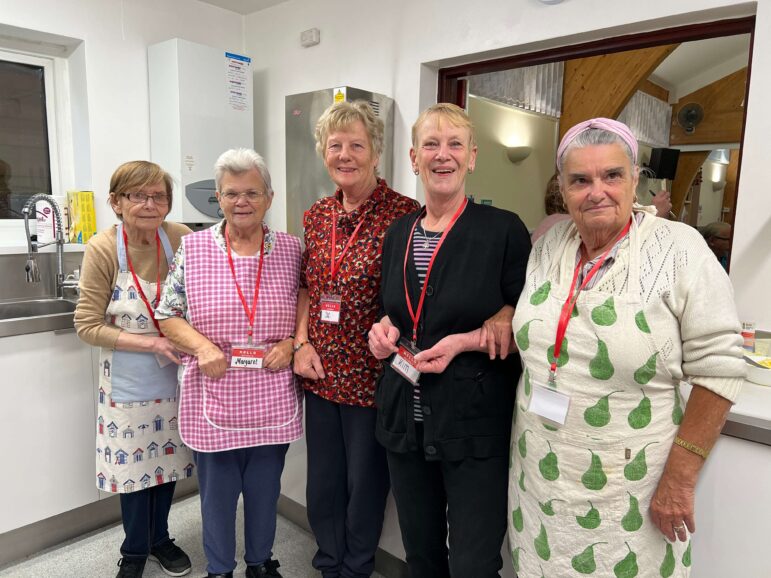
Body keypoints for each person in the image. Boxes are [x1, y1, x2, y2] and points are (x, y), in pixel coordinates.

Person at [507, 118, 745, 577]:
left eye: (612, 175)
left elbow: (721, 367)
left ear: (635, 178)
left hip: (631, 491)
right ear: (563, 188)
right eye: (580, 179)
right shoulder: (549, 245)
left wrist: (680, 478)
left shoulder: (680, 248)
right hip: (538, 477)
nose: (596, 191)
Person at [368, 103, 531, 577]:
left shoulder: (503, 230)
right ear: (414, 158)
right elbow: (395, 310)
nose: (444, 155)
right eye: (431, 145)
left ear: (473, 157)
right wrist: (382, 331)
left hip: (472, 423)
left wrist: (484, 330)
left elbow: (530, 315)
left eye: (455, 144)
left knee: (474, 562)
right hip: (406, 421)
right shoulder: (398, 233)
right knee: (420, 555)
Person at [156, 149, 301, 578]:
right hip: (213, 391)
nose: (242, 201)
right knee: (217, 497)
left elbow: (306, 303)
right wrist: (202, 347)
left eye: (252, 192)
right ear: (217, 198)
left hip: (271, 392)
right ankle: (220, 568)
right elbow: (168, 314)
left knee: (263, 490)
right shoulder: (194, 249)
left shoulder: (292, 250)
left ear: (269, 197)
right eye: (232, 193)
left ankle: (259, 562)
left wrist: (292, 342)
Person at [293, 100, 419, 578]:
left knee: (366, 483)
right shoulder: (316, 214)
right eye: (335, 145)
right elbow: (308, 285)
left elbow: (415, 296)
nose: (345, 155)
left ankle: (356, 567)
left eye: (356, 145)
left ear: (376, 152)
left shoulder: (403, 215)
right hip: (321, 372)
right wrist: (302, 341)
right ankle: (329, 563)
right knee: (323, 483)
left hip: (373, 376)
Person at [74, 161, 193, 578]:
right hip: (127, 376)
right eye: (137, 196)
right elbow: (87, 325)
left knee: (168, 463)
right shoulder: (103, 248)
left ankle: (160, 539)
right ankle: (135, 550)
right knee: (132, 471)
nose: (149, 204)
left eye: (158, 196)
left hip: (176, 376)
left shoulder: (180, 239)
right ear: (116, 202)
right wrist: (152, 343)